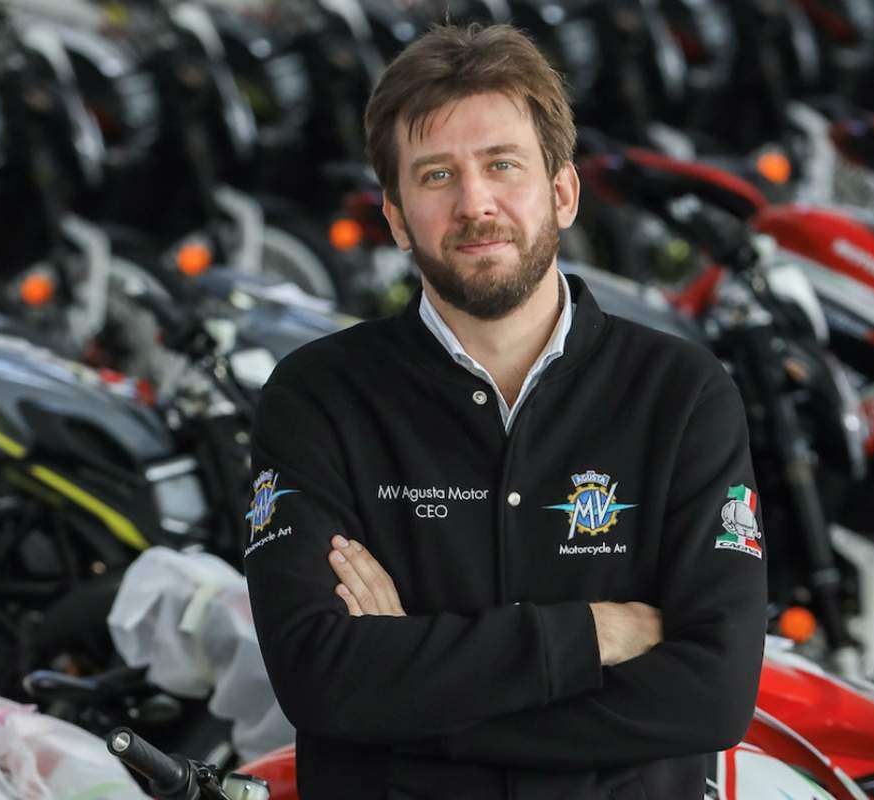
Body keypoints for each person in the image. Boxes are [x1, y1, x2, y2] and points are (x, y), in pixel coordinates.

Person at [244, 23, 767, 800]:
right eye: (436, 176)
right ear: (396, 217)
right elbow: (319, 681)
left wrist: (407, 704)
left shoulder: (681, 394)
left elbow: (712, 696)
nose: (475, 203)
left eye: (502, 164)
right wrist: (592, 634)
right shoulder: (316, 397)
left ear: (562, 193)